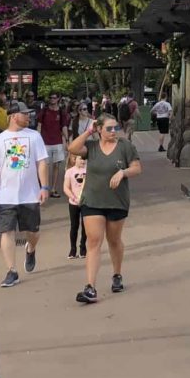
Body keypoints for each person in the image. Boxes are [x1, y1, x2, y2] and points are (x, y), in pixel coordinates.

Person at [67, 113, 142, 304]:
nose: (114, 131)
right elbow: (72, 148)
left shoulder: (125, 146)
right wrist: (88, 131)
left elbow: (137, 168)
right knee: (93, 241)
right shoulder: (91, 147)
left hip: (116, 201)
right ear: (99, 129)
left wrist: (123, 172)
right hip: (92, 200)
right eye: (109, 128)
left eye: (116, 127)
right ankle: (90, 287)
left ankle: (117, 274)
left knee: (114, 240)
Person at [0, 101, 50, 288]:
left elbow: (42, 163)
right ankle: (12, 271)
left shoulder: (34, 136)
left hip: (30, 194)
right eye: (24, 114)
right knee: (7, 232)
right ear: (13, 116)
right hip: (5, 196)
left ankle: (30, 248)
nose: (28, 117)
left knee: (33, 232)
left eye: (29, 114)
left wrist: (44, 187)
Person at [39, 95, 70, 197]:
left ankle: (53, 189)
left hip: (57, 142)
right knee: (45, 166)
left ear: (58, 99)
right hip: (45, 142)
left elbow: (64, 126)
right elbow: (39, 125)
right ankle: (45, 187)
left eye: (54, 97)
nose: (52, 99)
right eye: (51, 97)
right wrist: (38, 139)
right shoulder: (44, 111)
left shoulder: (61, 112)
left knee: (56, 166)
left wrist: (67, 139)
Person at [63, 152, 88, 259]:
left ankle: (83, 248)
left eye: (84, 159)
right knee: (74, 226)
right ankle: (73, 249)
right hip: (73, 203)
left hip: (86, 203)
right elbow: (66, 188)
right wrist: (73, 197)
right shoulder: (70, 172)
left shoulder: (89, 171)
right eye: (80, 159)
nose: (83, 161)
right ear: (74, 159)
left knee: (85, 226)